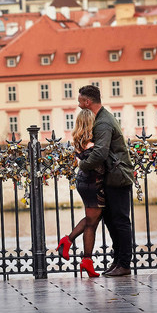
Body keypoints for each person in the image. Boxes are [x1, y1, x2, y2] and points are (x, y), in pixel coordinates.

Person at [76, 84, 134, 277]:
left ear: (87, 101)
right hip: (112, 177)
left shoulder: (102, 122)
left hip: (118, 177)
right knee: (111, 220)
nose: (79, 106)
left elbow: (100, 153)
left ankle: (124, 264)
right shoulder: (102, 118)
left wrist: (83, 166)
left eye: (80, 102)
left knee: (120, 221)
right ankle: (118, 261)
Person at [56, 109, 104, 277]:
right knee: (92, 220)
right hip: (92, 183)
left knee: (93, 220)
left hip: (83, 182)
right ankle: (68, 242)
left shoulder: (79, 141)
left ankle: (86, 261)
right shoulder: (92, 143)